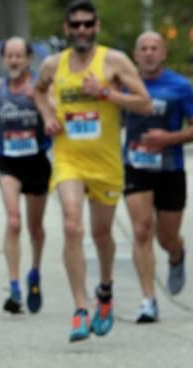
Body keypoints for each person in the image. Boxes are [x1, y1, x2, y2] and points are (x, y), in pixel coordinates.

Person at [33, 0, 151, 341]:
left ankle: (105, 290)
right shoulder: (54, 64)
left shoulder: (114, 61)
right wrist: (48, 117)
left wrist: (106, 93)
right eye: (76, 25)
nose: (82, 30)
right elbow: (38, 91)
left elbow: (144, 102)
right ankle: (80, 309)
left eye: (87, 24)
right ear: (67, 28)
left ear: (96, 26)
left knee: (102, 235)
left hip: (107, 164)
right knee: (72, 226)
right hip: (69, 159)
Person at [123, 31, 193, 323]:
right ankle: (148, 300)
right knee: (141, 230)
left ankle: (176, 255)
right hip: (136, 167)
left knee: (166, 238)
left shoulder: (180, 86)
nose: (149, 53)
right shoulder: (125, 85)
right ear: (136, 55)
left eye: (155, 48)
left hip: (170, 169)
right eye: (144, 48)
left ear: (163, 53)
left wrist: (169, 138)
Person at [0, 37, 50, 314]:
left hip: (37, 162)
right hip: (8, 160)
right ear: (3, 59)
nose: (14, 60)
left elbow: (54, 116)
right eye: (9, 55)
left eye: (19, 55)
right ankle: (14, 285)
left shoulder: (40, 87)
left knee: (34, 227)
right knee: (13, 220)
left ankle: (34, 272)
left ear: (29, 59)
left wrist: (42, 103)